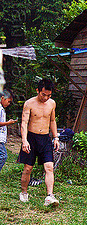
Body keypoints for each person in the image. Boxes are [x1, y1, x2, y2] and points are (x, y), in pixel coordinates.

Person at [18, 78, 60, 206]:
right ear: (37, 90)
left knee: (49, 167)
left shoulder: (52, 103)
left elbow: (52, 121)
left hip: (45, 139)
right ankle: (24, 192)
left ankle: (50, 196)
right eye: (43, 94)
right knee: (28, 168)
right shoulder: (29, 103)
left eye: (49, 95)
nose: (46, 97)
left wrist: (55, 137)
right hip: (31, 138)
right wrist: (24, 140)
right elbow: (24, 123)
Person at [0, 90, 18, 172]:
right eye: (9, 101)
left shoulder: (2, 109)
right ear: (3, 98)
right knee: (3, 156)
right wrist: (8, 123)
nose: (9, 104)